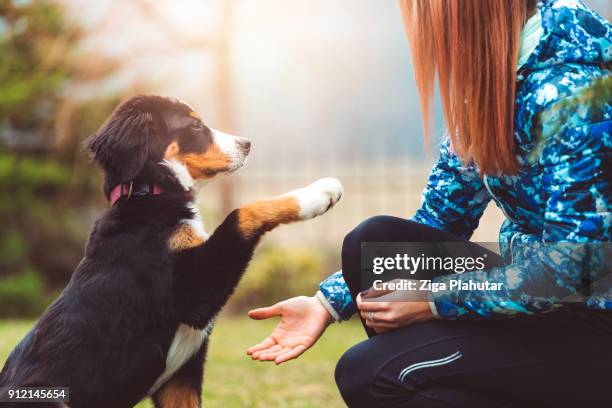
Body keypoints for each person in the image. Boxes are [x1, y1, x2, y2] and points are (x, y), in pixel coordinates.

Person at [247, 0, 611, 406]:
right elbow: (441, 218)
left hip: (595, 323)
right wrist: (326, 304)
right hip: (542, 303)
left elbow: (572, 272)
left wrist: (434, 300)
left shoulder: (572, 94)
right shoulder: (494, 84)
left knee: (369, 373)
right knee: (374, 245)